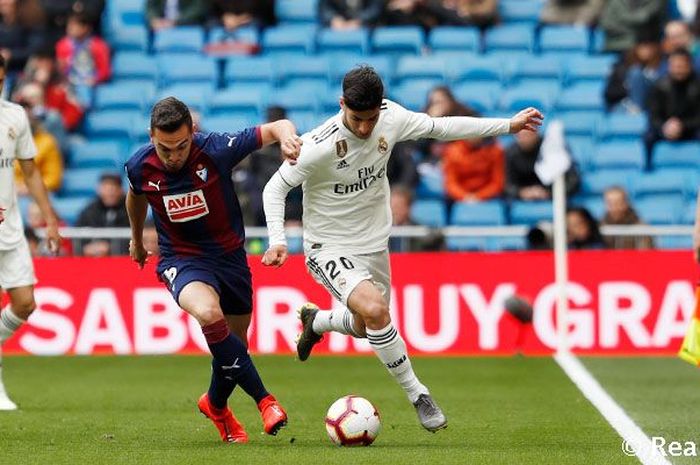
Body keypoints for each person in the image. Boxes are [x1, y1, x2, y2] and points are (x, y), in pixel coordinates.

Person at [261, 66, 542, 432]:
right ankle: (419, 394)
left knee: (367, 325)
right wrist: (278, 239)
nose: (365, 128)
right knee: (377, 310)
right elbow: (274, 188)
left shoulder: (391, 118)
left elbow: (443, 128)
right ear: (342, 103)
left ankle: (318, 321)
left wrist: (508, 125)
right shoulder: (317, 145)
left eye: (371, 118)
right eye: (357, 119)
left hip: (374, 243)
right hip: (327, 246)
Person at [124, 97, 302, 443]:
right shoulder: (139, 166)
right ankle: (265, 401)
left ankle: (216, 405)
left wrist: (288, 137)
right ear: (151, 137)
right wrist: (135, 238)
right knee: (208, 313)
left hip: (230, 259)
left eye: (181, 146)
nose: (173, 156)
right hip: (181, 258)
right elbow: (136, 195)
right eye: (164, 148)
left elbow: (275, 127)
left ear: (193, 132)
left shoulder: (217, 149)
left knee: (234, 347)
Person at [0, 54, 61, 410]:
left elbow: (32, 171)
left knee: (25, 303)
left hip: (10, 227)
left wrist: (50, 218)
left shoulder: (15, 116)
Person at [646, 48, 700, 156]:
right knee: (648, 136)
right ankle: (648, 169)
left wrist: (682, 126)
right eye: (675, 66)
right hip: (666, 128)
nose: (678, 70)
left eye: (681, 66)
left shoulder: (697, 86)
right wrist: (665, 127)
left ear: (689, 66)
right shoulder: (659, 86)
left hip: (691, 128)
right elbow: (653, 116)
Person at [55, 11, 111, 107]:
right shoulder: (62, 45)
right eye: (69, 25)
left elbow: (105, 71)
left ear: (86, 28)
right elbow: (60, 69)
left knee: (83, 93)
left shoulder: (99, 46)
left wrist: (95, 79)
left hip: (87, 81)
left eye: (75, 25)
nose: (70, 28)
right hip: (69, 81)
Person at [75, 172, 129, 256]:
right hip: (92, 260)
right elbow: (78, 234)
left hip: (122, 259)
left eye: (113, 189)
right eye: (106, 189)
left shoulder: (130, 210)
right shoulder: (89, 210)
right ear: (99, 189)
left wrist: (111, 247)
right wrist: (87, 247)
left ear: (121, 190)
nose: (110, 193)